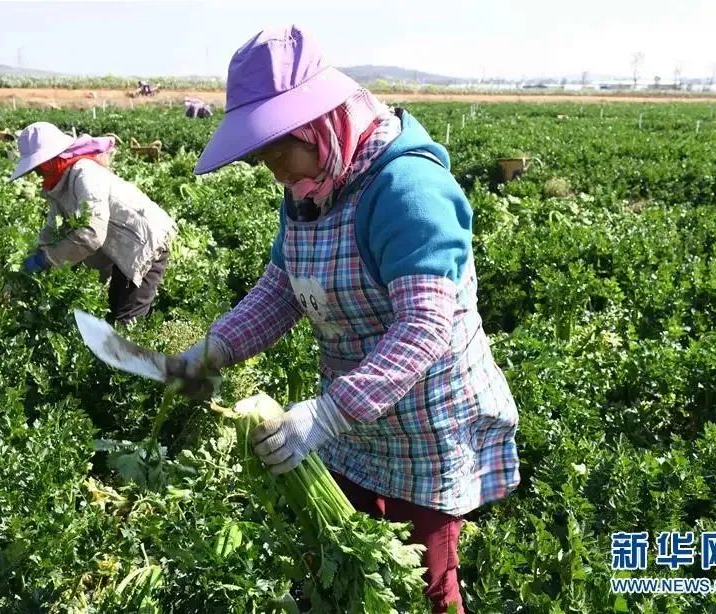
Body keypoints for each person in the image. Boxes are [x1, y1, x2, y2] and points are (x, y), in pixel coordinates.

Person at [170, 25, 520, 613]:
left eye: (277, 152)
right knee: (344, 563)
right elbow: (282, 289)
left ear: (316, 123)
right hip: (355, 423)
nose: (274, 171)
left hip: (426, 430)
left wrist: (327, 415)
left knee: (423, 585)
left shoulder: (407, 187)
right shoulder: (312, 186)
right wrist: (212, 350)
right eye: (264, 158)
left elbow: (424, 327)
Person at [9, 122, 177, 324]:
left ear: (49, 161)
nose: (37, 174)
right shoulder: (60, 184)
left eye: (38, 168)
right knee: (114, 315)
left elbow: (91, 232)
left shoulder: (85, 173)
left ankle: (144, 346)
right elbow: (54, 227)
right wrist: (36, 254)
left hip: (145, 245)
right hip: (123, 251)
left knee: (126, 324)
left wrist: (47, 259)